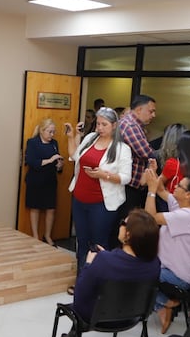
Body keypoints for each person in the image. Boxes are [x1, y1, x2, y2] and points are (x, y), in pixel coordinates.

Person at [60, 208, 161, 337]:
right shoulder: (154, 264)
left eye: (123, 223)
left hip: (97, 317)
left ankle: (74, 336)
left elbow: (80, 295)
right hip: (132, 316)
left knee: (90, 292)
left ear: (128, 234)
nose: (119, 225)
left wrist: (89, 265)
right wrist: (105, 257)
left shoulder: (105, 261)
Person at [64, 107, 132, 292]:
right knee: (82, 241)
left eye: (104, 124)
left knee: (99, 243)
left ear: (114, 125)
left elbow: (126, 177)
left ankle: (99, 284)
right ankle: (81, 281)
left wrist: (104, 175)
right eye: (98, 123)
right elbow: (73, 156)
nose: (100, 128)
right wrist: (72, 137)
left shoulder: (121, 148)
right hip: (80, 199)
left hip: (102, 203)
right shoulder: (89, 139)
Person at [143, 165, 190, 333]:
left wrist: (150, 190)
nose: (176, 186)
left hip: (179, 276)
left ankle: (164, 304)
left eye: (180, 186)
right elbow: (162, 190)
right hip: (170, 269)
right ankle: (162, 304)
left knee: (136, 271)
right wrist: (154, 175)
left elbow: (150, 218)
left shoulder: (188, 216)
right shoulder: (182, 206)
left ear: (188, 195)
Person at [24, 118, 64, 245]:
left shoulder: (54, 143)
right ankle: (35, 236)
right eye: (50, 132)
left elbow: (56, 160)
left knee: (50, 209)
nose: (52, 135)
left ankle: (47, 236)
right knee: (35, 208)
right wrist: (50, 160)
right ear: (42, 131)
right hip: (36, 180)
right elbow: (31, 161)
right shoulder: (32, 142)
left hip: (50, 180)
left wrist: (59, 165)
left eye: (53, 132)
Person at [118, 95, 157, 213]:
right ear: (139, 109)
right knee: (125, 220)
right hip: (128, 186)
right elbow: (146, 153)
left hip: (128, 183)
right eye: (151, 111)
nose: (153, 115)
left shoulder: (135, 124)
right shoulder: (131, 125)